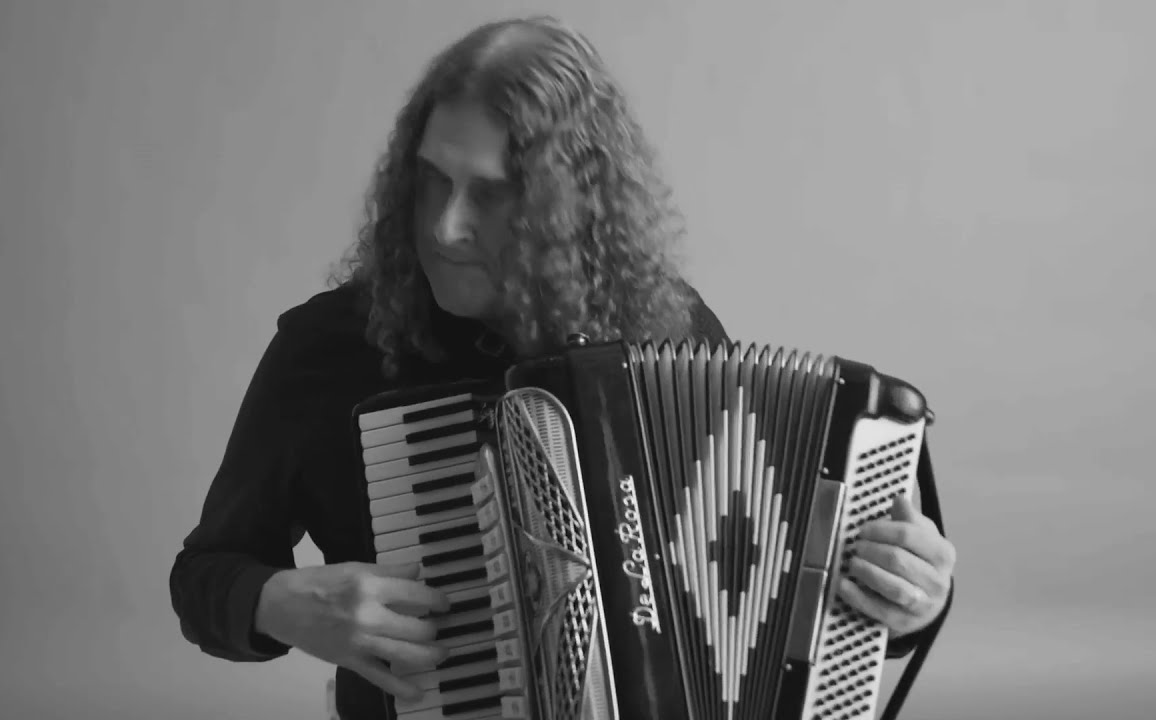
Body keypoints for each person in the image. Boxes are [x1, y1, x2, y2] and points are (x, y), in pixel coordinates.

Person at [168, 15, 957, 720]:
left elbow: (765, 605)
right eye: (432, 180)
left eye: (491, 196)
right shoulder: (331, 347)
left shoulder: (669, 331)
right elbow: (206, 574)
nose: (444, 228)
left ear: (568, 208)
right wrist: (278, 604)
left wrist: (901, 599)